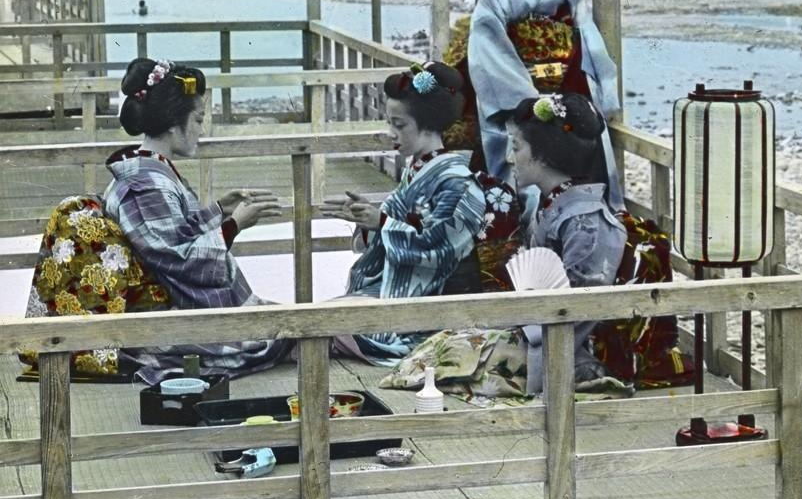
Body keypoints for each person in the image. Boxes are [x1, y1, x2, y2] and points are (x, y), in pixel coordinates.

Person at [103, 57, 292, 384]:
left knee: (285, 325)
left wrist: (221, 209)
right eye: (199, 118)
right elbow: (177, 259)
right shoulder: (145, 184)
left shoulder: (147, 169)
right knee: (273, 337)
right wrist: (234, 226)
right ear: (175, 123)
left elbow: (176, 236)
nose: (202, 129)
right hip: (160, 315)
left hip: (169, 300)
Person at [463, 0, 623, 204]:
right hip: (519, 116)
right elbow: (491, 61)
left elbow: (592, 49)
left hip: (567, 108)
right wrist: (535, 109)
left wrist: (605, 95)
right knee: (527, 195)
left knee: (587, 183)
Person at [320, 62, 487, 364]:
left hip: (438, 303)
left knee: (324, 327)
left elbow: (440, 250)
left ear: (428, 123)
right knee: (320, 320)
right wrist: (369, 220)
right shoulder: (416, 169)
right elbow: (393, 225)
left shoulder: (458, 182)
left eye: (400, 125)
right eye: (389, 123)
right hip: (402, 289)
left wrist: (381, 222)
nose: (391, 133)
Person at [506, 92, 626, 389]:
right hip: (541, 330)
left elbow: (583, 308)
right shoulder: (552, 205)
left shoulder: (586, 220)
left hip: (576, 349)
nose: (509, 158)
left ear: (544, 155)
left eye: (516, 147)